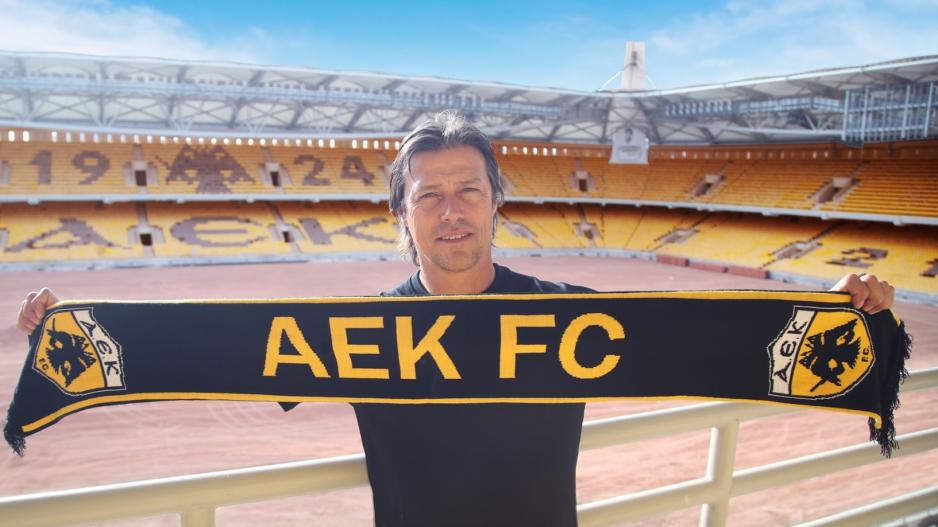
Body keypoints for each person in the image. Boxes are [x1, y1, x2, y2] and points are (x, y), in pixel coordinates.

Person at [17, 111, 896, 526]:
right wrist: (79, 329)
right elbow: (205, 350)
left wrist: (841, 313)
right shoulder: (349, 332)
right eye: (428, 195)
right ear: (401, 214)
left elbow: (710, 335)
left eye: (468, 190)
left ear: (496, 202)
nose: (450, 212)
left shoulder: (571, 316)